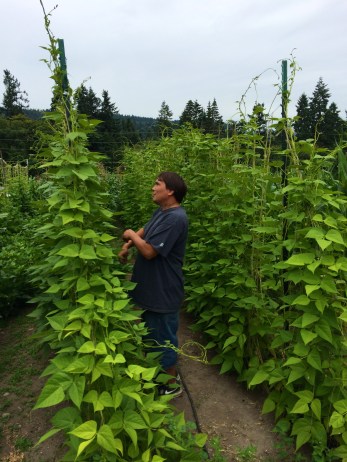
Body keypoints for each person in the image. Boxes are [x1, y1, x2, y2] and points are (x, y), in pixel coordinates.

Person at [118, 171, 188, 396]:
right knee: (152, 333)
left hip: (163, 290)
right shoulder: (163, 212)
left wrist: (130, 234)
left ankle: (170, 385)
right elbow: (146, 230)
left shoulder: (176, 218)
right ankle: (155, 376)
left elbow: (148, 251)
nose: (153, 187)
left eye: (157, 184)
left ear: (170, 191)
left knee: (164, 338)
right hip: (152, 288)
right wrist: (129, 244)